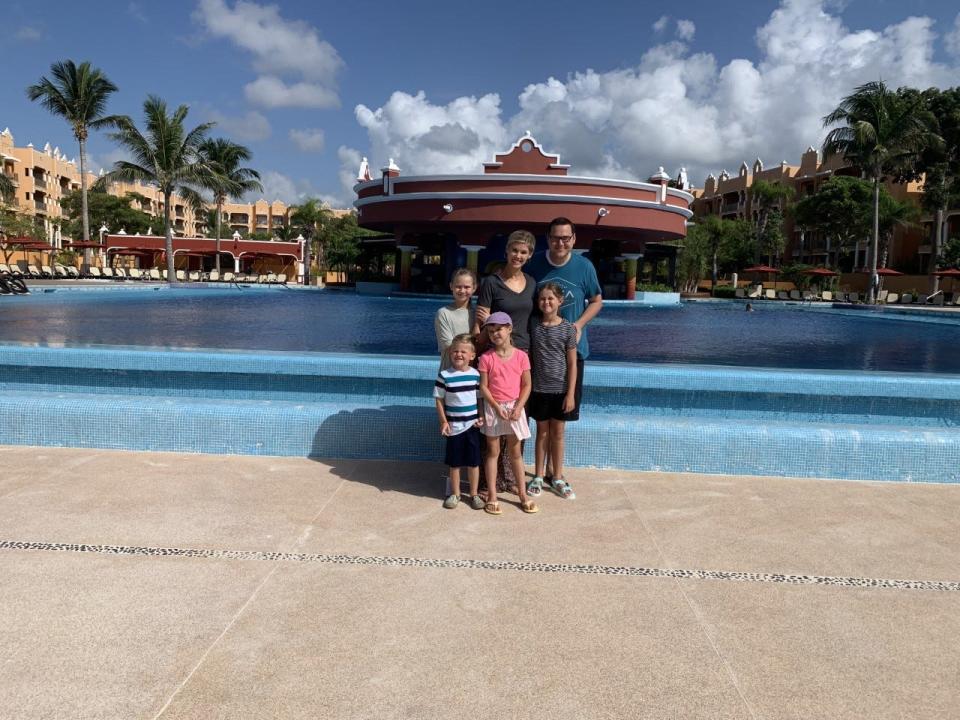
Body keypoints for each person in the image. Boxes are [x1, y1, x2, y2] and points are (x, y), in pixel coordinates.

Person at [525, 217, 603, 482]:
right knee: (540, 422)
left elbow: (596, 300)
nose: (560, 242)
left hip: (573, 352)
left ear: (573, 239)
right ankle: (538, 473)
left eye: (565, 238)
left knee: (559, 423)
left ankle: (554, 473)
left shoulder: (584, 266)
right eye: (556, 237)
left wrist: (579, 324)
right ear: (548, 239)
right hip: (539, 355)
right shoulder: (534, 263)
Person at [475, 230, 537, 494]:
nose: (518, 256)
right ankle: (494, 481)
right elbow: (482, 320)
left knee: (516, 417)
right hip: (495, 354)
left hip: (521, 353)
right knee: (493, 419)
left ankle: (512, 478)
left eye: (524, 252)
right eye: (515, 251)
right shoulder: (491, 282)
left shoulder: (532, 283)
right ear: (507, 251)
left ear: (530, 255)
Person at [478, 312, 538, 515]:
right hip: (494, 408)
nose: (495, 333)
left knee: (515, 453)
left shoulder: (521, 356)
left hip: (514, 409)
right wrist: (496, 407)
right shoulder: (486, 358)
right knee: (493, 452)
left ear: (509, 329)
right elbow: (484, 387)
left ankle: (522, 493)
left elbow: (527, 384)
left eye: (499, 329)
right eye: (491, 330)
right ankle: (493, 494)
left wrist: (519, 407)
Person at [526, 282, 578, 499]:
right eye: (542, 299)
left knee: (558, 434)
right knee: (542, 433)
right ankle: (538, 474)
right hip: (539, 389)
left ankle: (556, 475)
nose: (546, 302)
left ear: (560, 301)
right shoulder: (534, 325)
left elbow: (573, 363)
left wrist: (570, 394)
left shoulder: (568, 328)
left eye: (550, 299)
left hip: (560, 390)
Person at [433, 334, 485, 510]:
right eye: (455, 351)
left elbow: (479, 399)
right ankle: (455, 494)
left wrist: (481, 416)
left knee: (473, 462)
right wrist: (443, 421)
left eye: (463, 351)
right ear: (450, 353)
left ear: (472, 355)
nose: (459, 354)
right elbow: (439, 400)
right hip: (454, 427)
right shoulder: (444, 376)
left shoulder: (475, 375)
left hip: (472, 426)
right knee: (455, 464)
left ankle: (474, 494)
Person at [434, 268, 477, 369]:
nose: (462, 291)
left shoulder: (477, 315)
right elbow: (450, 346)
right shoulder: (444, 313)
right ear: (451, 286)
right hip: (449, 373)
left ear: (474, 288)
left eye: (467, 287)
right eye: (458, 287)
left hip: (472, 374)